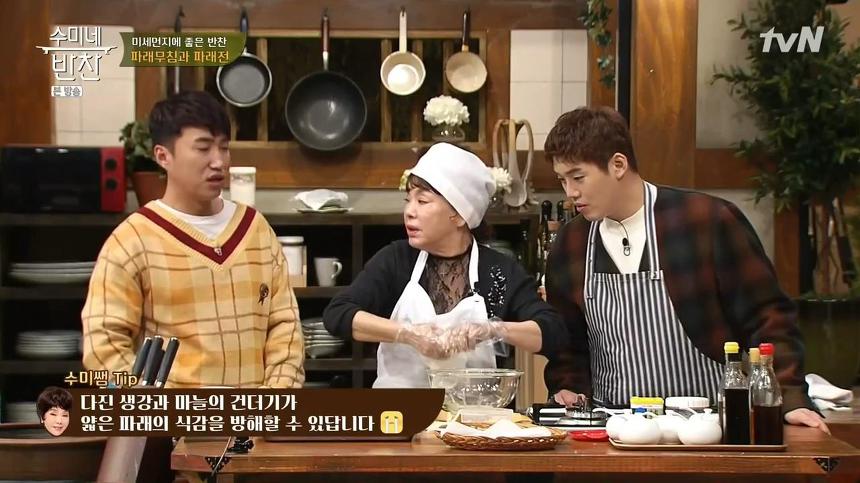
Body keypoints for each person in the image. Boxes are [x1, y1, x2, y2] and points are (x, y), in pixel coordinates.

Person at [544, 106, 827, 432]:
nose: (570, 193)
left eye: (578, 177)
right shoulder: (572, 243)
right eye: (562, 180)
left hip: (712, 425)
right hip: (616, 428)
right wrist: (568, 387)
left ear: (618, 165)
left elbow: (768, 316)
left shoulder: (705, 221)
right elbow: (567, 341)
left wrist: (789, 397)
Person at [82, 90, 304, 389]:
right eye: (203, 148)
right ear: (163, 156)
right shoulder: (132, 240)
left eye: (224, 148)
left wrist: (274, 400)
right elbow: (103, 346)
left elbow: (285, 327)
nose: (218, 161)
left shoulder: (256, 229)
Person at [323, 143, 567, 388]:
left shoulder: (497, 271)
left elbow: (552, 331)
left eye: (422, 201)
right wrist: (406, 334)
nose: (409, 212)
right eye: (408, 200)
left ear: (459, 215)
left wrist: (493, 330)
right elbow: (338, 314)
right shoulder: (397, 260)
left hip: (473, 410)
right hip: (398, 409)